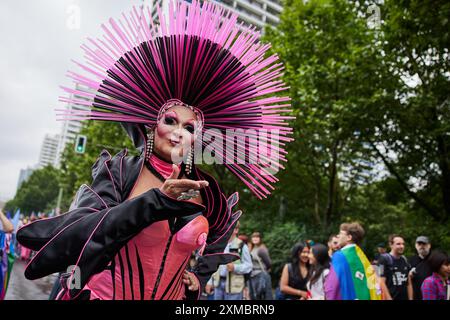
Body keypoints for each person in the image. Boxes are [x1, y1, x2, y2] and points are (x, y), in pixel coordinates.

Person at [16, 0, 293, 301]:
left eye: (189, 128)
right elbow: (82, 234)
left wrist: (197, 279)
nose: (178, 132)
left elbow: (216, 242)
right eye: (170, 120)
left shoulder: (206, 188)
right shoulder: (119, 172)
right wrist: (155, 202)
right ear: (151, 124)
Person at [325, 222, 381, 300]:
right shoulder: (363, 258)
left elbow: (332, 285)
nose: (338, 236)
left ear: (349, 237)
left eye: (340, 234)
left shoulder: (339, 256)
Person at [205, 222, 253, 300]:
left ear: (236, 230)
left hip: (234, 286)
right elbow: (212, 264)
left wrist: (235, 267)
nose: (227, 229)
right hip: (218, 285)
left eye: (230, 227)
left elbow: (249, 266)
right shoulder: (219, 244)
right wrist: (209, 282)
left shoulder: (241, 246)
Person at [378, 234, 413, 300]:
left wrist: (410, 298)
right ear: (391, 245)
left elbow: (409, 283)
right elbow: (381, 282)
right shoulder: (384, 259)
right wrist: (388, 298)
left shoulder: (405, 260)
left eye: (403, 244)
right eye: (398, 244)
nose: (402, 246)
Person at [248, 232, 273, 300]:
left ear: (260, 239)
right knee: (255, 296)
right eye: (253, 237)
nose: (255, 238)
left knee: (262, 295)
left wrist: (265, 271)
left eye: (257, 237)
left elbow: (269, 263)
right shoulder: (252, 248)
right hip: (253, 275)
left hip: (261, 274)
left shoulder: (261, 249)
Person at [408, 236, 432, 300]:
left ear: (429, 245)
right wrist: (409, 275)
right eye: (419, 244)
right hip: (416, 295)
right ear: (416, 246)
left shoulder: (434, 259)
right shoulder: (411, 260)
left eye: (424, 244)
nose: (421, 246)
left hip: (432, 294)